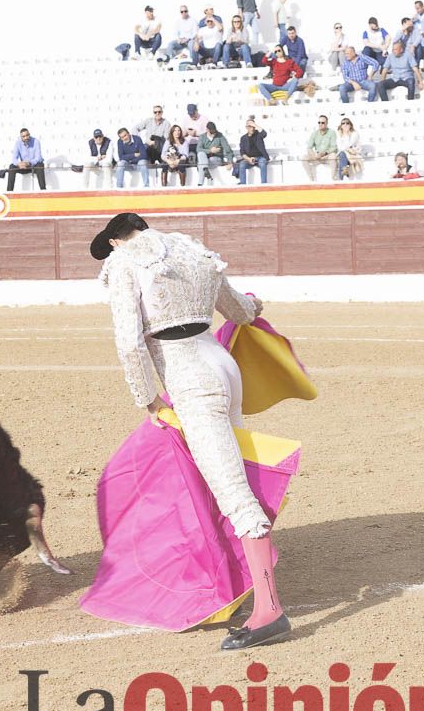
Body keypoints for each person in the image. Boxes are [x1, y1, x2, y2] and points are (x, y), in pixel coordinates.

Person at [90, 212, 289, 651]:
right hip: (222, 365)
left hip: (191, 378)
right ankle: (234, 587)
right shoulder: (193, 249)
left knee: (231, 489)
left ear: (117, 242)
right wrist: (254, 304)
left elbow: (129, 341)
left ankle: (269, 609)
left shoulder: (125, 262)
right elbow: (240, 311)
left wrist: (148, 399)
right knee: (220, 480)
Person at [303, 114, 337, 181]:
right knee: (303, 158)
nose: (320, 124)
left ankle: (333, 178)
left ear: (327, 123)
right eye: (319, 122)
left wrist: (324, 153)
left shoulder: (332, 132)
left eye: (322, 123)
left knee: (333, 156)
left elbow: (334, 147)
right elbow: (309, 147)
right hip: (317, 157)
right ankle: (311, 178)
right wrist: (314, 155)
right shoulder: (314, 133)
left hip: (327, 156)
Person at [235, 118, 269, 184]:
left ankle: (264, 184)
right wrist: (249, 159)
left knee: (262, 163)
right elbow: (242, 152)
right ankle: (243, 184)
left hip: (260, 157)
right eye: (250, 126)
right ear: (246, 127)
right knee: (242, 164)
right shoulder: (243, 138)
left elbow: (264, 134)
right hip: (249, 158)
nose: (252, 128)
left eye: (253, 127)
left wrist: (255, 125)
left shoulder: (258, 134)